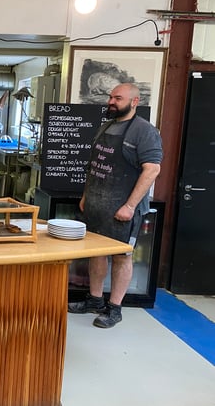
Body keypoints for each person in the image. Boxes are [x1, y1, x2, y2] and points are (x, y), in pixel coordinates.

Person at [68, 83, 163, 328]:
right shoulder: (106, 126)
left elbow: (152, 169)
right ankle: (94, 300)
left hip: (123, 210)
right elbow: (94, 166)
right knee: (96, 254)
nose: (111, 101)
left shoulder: (144, 131)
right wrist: (87, 195)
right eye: (110, 97)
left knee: (122, 257)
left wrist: (130, 206)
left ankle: (115, 308)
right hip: (97, 205)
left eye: (117, 98)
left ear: (134, 101)